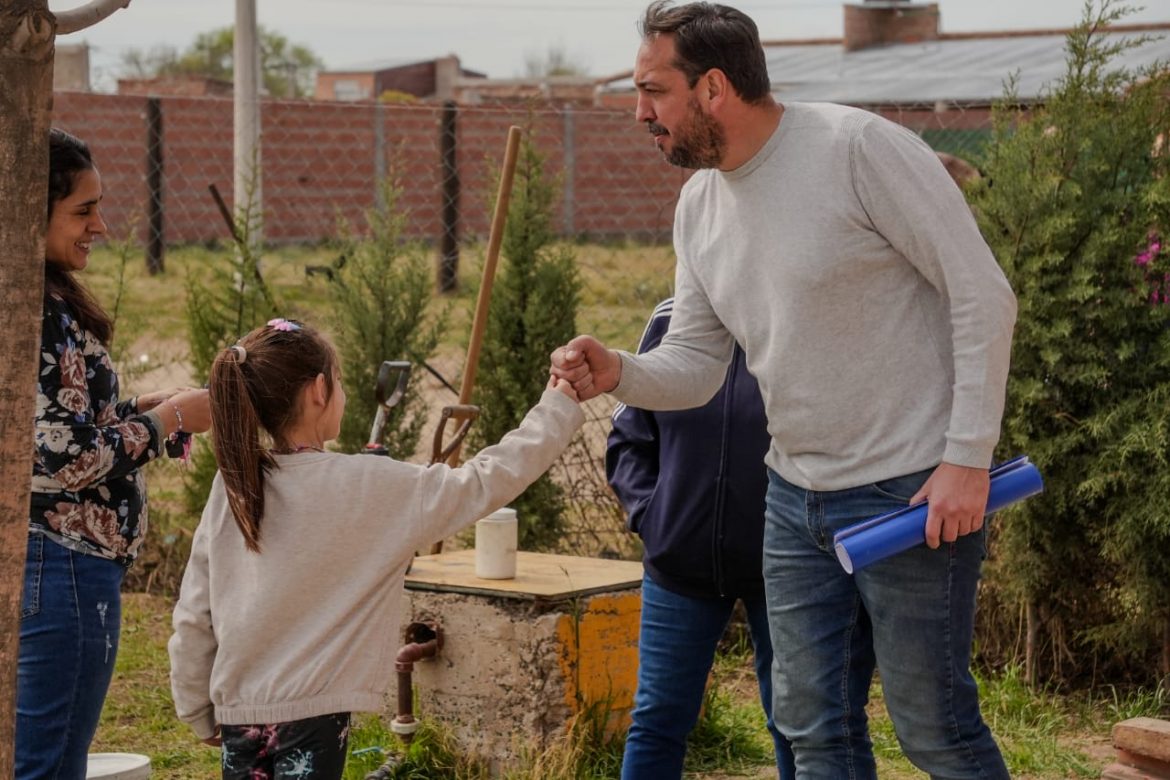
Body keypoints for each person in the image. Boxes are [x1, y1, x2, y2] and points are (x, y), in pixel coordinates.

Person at [550, 2, 1017, 777]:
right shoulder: (700, 203)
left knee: (933, 728)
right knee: (809, 726)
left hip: (911, 492)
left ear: (714, 88)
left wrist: (967, 458)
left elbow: (982, 295)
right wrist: (620, 371)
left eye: (653, 91)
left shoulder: (858, 149)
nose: (639, 113)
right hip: (794, 498)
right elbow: (697, 364)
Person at [167, 318, 583, 779]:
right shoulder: (370, 485)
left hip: (238, 713)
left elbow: (195, 610)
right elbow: (485, 480)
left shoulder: (232, 485)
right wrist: (558, 405)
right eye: (340, 380)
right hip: (314, 715)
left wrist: (195, 706)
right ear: (319, 390)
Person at [19, 128, 212, 779]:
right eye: (83, 210)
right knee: (49, 765)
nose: (100, 225)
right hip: (62, 566)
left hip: (46, 562)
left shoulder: (31, 299)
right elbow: (66, 460)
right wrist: (169, 420)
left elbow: (46, 432)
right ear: (29, 210)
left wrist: (132, 413)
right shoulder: (38, 314)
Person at [607, 298, 795, 779]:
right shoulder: (670, 320)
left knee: (797, 724)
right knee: (657, 720)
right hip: (679, 564)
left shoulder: (798, 313)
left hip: (788, 566)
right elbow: (629, 437)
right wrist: (652, 516)